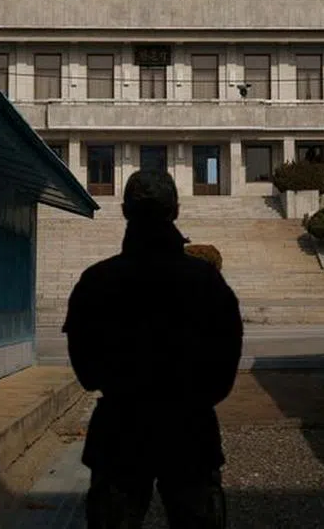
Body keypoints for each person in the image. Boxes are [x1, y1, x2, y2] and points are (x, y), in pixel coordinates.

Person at [62, 170, 244, 529]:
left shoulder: (97, 280)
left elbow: (85, 368)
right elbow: (226, 359)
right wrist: (194, 396)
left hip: (120, 427)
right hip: (190, 428)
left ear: (124, 211)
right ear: (175, 211)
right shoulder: (205, 280)